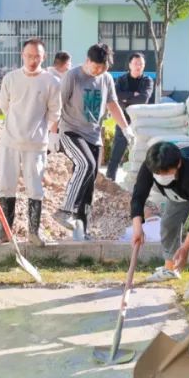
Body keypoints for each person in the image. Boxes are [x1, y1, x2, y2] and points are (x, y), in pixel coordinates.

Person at [53, 43, 132, 240]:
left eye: (103, 68)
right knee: (85, 164)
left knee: (89, 182)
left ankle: (82, 230)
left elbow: (112, 104)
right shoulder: (72, 76)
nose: (99, 71)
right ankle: (65, 210)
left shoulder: (106, 79)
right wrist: (53, 133)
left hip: (94, 136)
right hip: (71, 131)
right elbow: (57, 105)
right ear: (87, 61)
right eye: (96, 67)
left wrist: (125, 128)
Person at [132, 141, 189, 301]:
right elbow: (138, 196)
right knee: (168, 222)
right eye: (157, 173)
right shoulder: (151, 164)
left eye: (165, 172)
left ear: (178, 164)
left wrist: (185, 248)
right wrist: (137, 227)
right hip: (179, 184)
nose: (161, 176)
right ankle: (170, 269)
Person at [0, 38, 61, 247]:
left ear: (44, 57)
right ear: (22, 55)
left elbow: (54, 112)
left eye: (37, 56)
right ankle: (4, 231)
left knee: (35, 188)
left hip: (36, 144)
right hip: (10, 141)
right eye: (29, 56)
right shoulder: (11, 78)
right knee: (6, 186)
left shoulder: (51, 82)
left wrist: (48, 134)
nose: (33, 60)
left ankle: (33, 232)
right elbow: (5, 106)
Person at [105, 52, 154, 182]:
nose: (139, 66)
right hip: (123, 119)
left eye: (141, 64)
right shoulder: (121, 79)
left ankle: (141, 181)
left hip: (140, 120)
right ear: (130, 65)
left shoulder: (147, 80)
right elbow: (116, 96)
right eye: (136, 63)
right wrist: (133, 95)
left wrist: (126, 98)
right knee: (117, 152)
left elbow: (143, 98)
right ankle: (110, 180)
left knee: (142, 152)